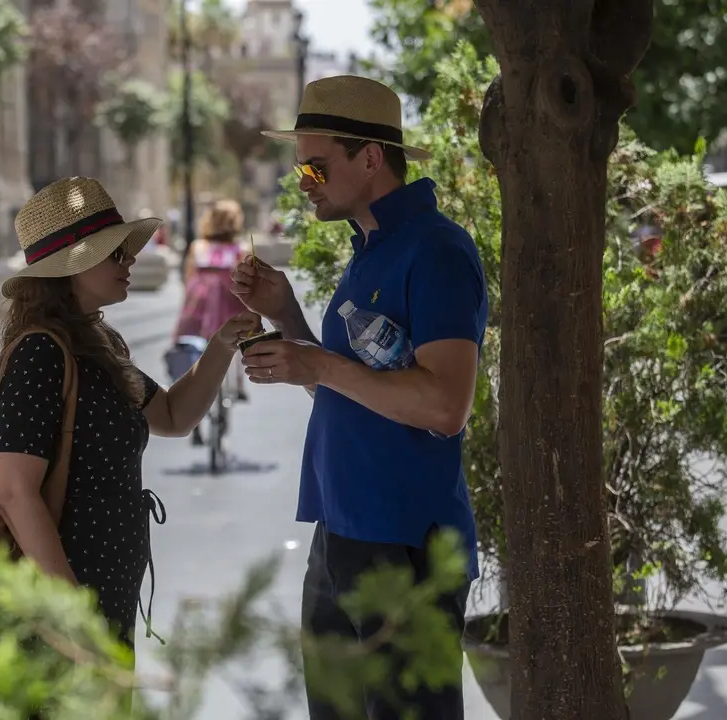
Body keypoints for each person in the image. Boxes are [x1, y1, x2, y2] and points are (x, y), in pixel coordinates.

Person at [230, 75, 488, 719]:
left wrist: (315, 359)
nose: (304, 183)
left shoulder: (437, 250)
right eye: (300, 170)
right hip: (341, 530)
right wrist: (288, 315)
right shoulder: (370, 249)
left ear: (371, 157)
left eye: (316, 168)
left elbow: (443, 406)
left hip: (403, 540)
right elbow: (352, 390)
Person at [0, 177, 258, 655]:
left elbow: (173, 415)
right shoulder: (40, 352)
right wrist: (73, 618)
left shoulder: (100, 345)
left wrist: (221, 345)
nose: (130, 259)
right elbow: (14, 491)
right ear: (73, 265)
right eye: (115, 253)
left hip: (106, 606)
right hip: (59, 622)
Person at [173, 198, 251, 445]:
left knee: (194, 346)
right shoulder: (239, 250)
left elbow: (188, 279)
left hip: (200, 307)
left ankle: (190, 398)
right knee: (236, 338)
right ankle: (238, 384)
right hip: (229, 304)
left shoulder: (198, 247)